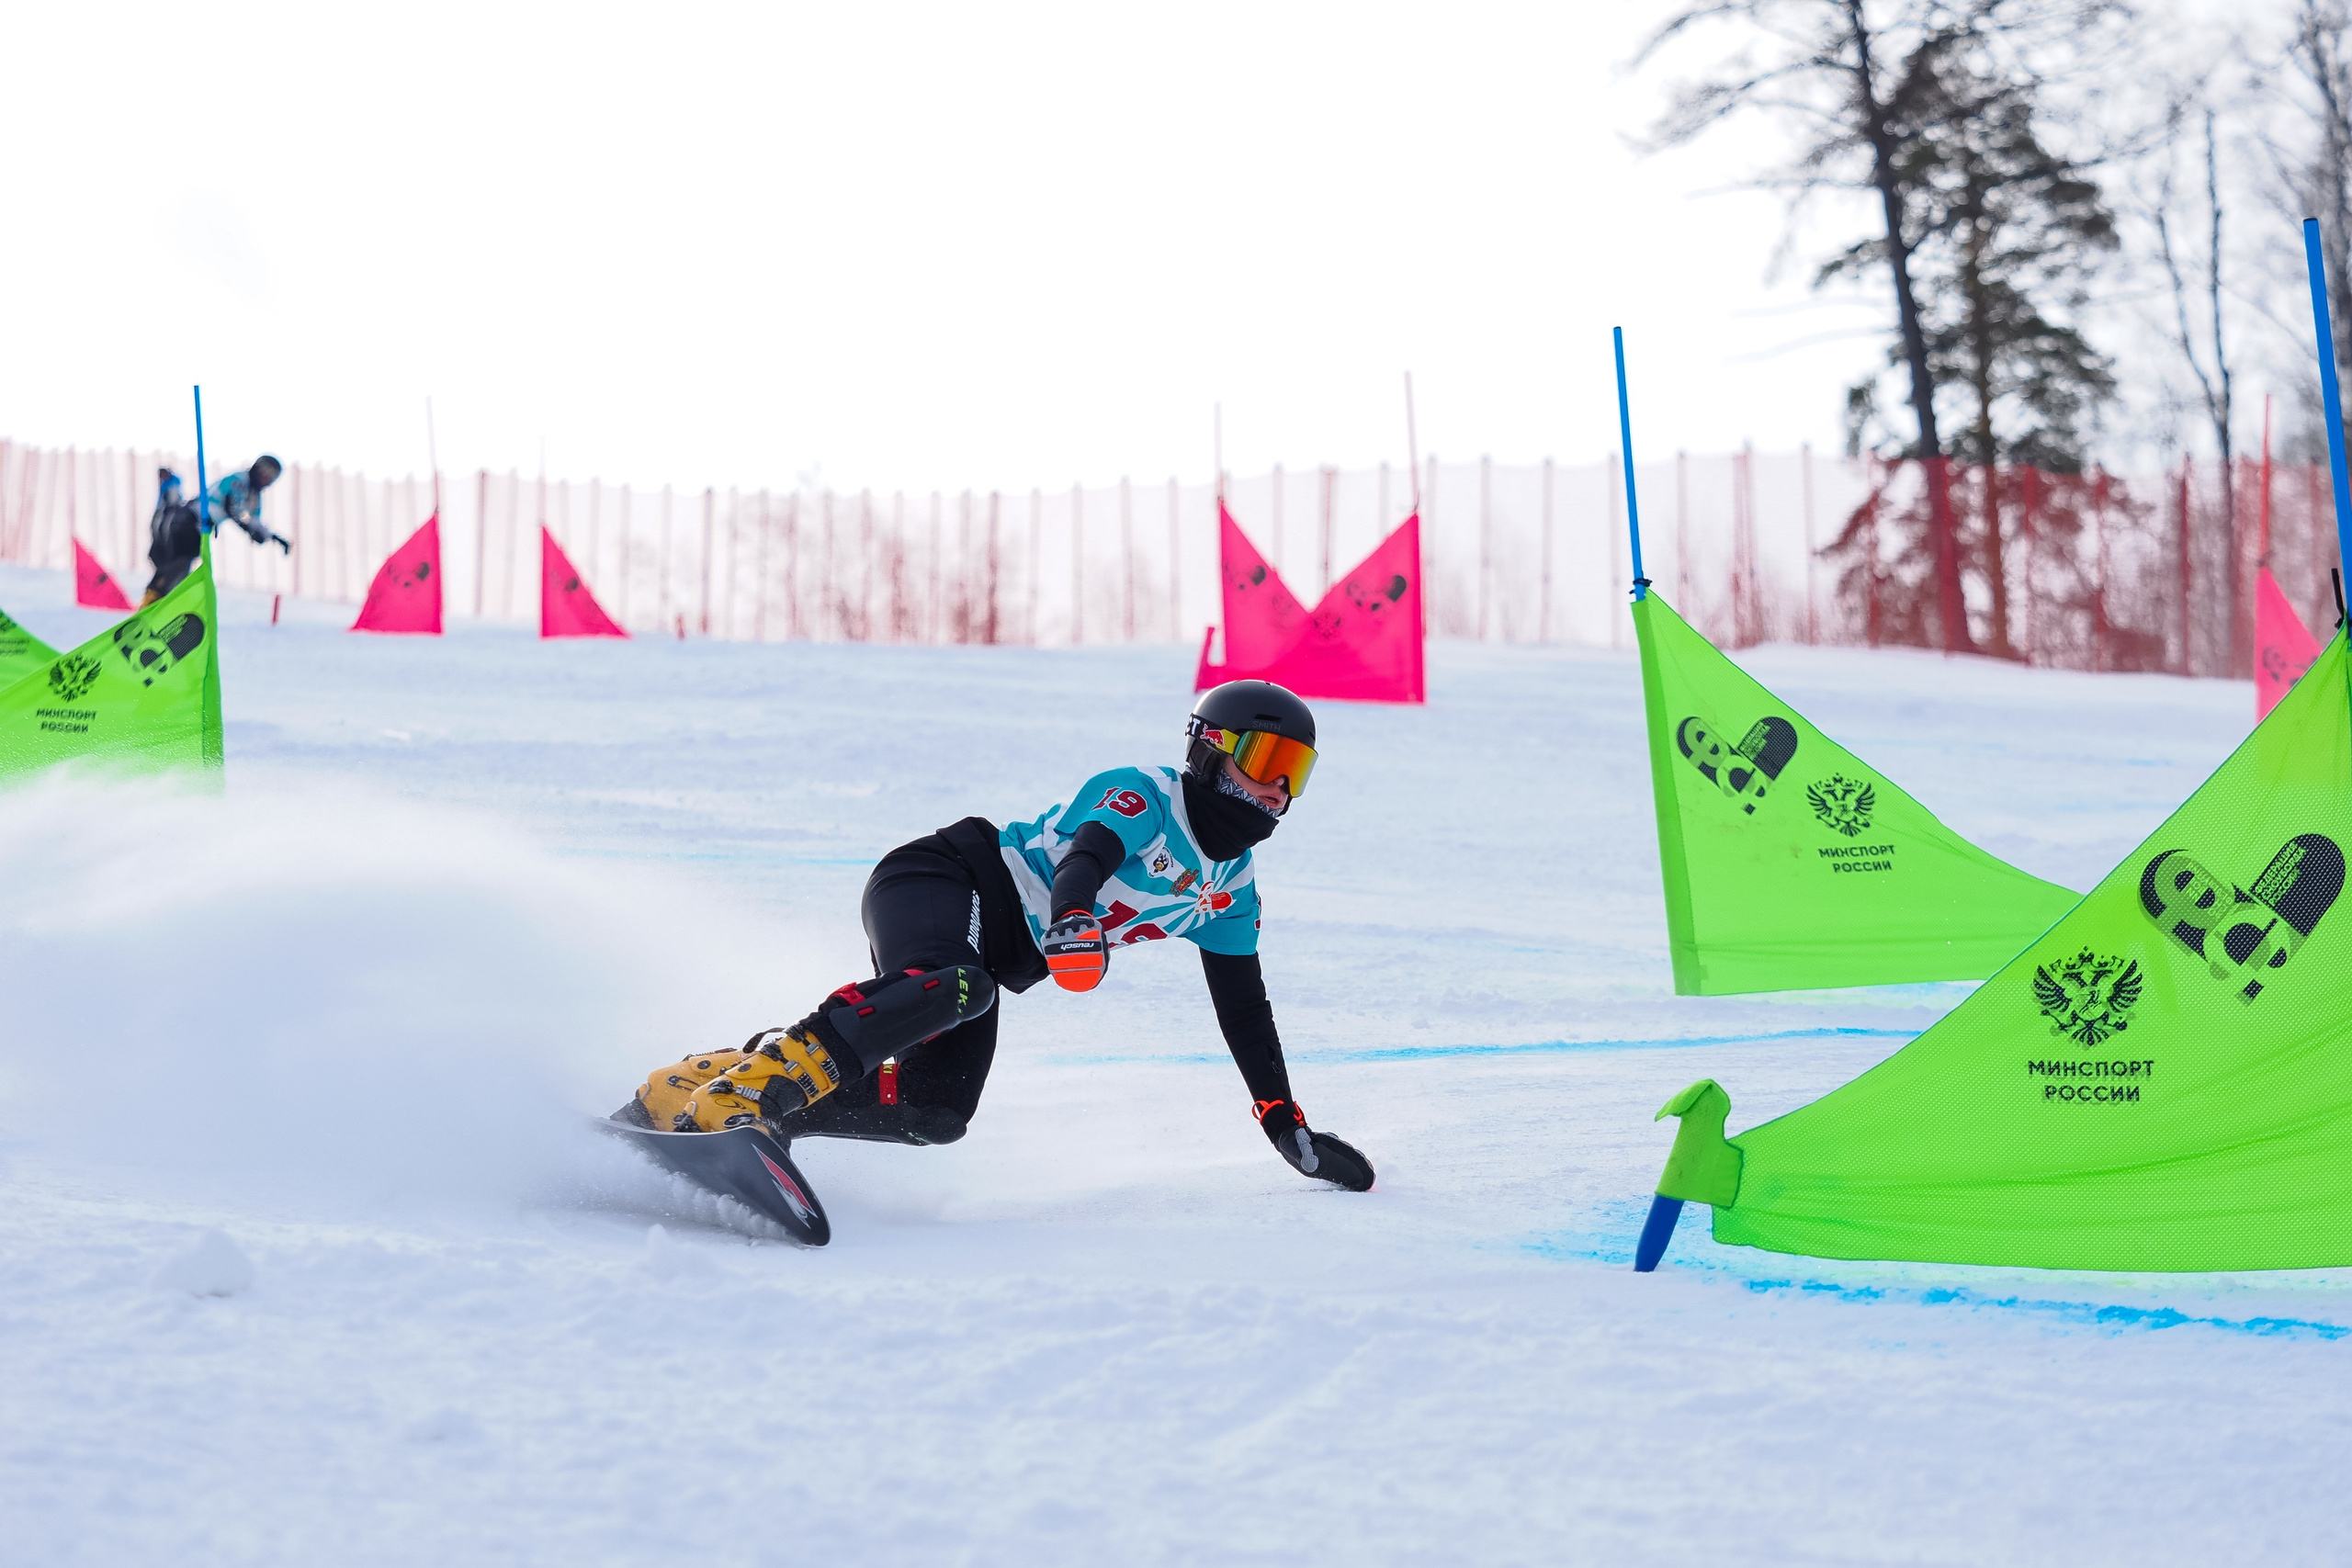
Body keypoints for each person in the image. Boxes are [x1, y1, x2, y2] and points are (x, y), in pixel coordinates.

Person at [617, 679, 1374, 1191]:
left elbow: (1244, 1009)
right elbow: (1089, 855)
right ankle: (755, 1091)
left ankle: (713, 1086)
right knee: (957, 984)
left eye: (1295, 773)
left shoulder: (1232, 890)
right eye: (1266, 760)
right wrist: (1074, 912)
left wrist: (1281, 1117)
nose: (1277, 789)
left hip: (986, 958)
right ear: (1210, 750)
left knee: (935, 1114)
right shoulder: (1147, 792)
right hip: (945, 877)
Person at [142, 456, 289, 605]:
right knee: (179, 563)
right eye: (266, 473)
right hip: (189, 520)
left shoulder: (253, 493)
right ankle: (152, 600)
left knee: (180, 567)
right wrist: (250, 530)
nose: (267, 479)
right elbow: (232, 508)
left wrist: (273, 537)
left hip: (200, 527)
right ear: (258, 468)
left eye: (272, 476)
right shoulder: (239, 481)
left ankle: (157, 601)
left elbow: (254, 520)